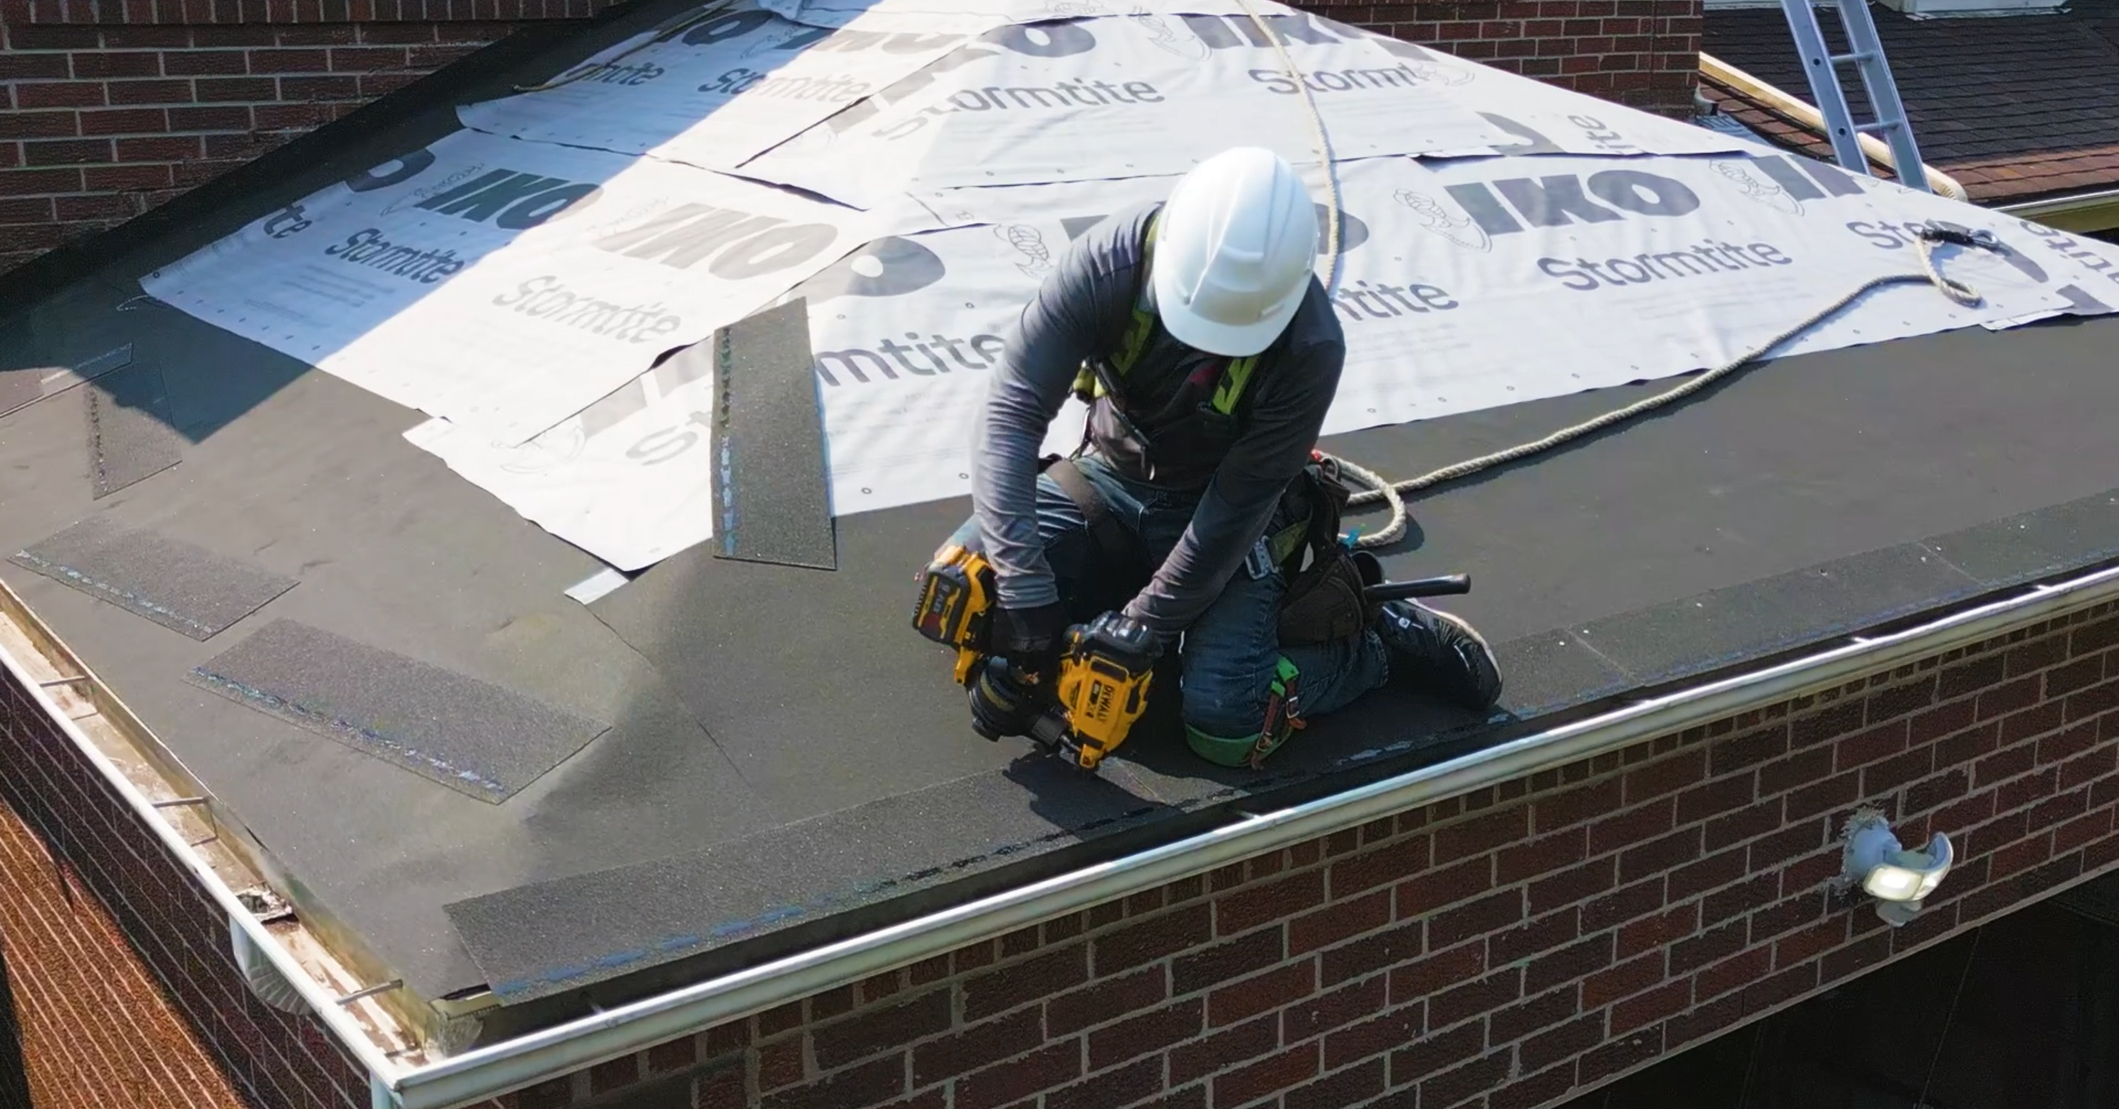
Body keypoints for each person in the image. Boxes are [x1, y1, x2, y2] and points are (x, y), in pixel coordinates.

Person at [941, 146, 1503, 768]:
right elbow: (1007, 419)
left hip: (1226, 521)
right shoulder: (1106, 268)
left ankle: (1374, 644)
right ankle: (1117, 596)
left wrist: (1144, 628)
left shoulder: (1309, 347)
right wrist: (1026, 596)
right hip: (1111, 478)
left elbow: (1230, 513)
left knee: (1225, 726)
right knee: (968, 595)